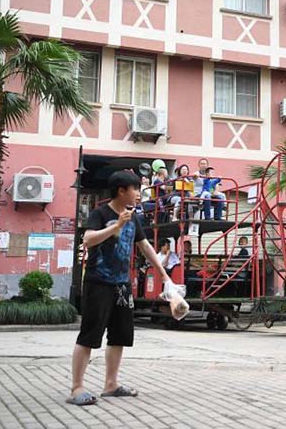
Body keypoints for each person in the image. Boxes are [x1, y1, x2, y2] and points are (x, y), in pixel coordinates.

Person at [69, 171, 170, 406]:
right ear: (121, 191)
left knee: (120, 335)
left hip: (122, 286)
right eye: (135, 189)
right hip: (98, 282)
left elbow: (145, 247)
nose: (138, 194)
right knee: (89, 335)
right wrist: (116, 226)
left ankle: (111, 384)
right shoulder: (100, 213)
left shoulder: (134, 218)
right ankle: (76, 387)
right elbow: (88, 239)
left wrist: (164, 275)